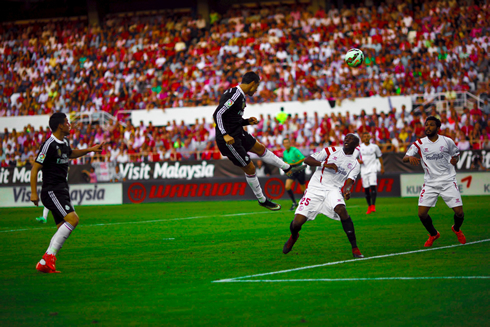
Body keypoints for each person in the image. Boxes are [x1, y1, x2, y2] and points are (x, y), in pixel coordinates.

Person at [213, 71, 305, 210]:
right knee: (250, 167)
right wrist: (225, 134)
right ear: (252, 83)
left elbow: (230, 118)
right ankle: (262, 200)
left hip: (237, 132)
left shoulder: (239, 96)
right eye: (257, 86)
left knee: (260, 148)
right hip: (229, 140)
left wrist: (245, 122)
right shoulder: (235, 95)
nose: (257, 90)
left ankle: (288, 168)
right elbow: (218, 114)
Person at [30, 112, 104, 273]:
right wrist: (33, 193)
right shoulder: (49, 144)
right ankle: (48, 257)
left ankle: (46, 262)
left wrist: (90, 149)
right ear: (60, 126)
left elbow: (70, 154)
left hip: (61, 190)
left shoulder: (64, 142)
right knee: (73, 219)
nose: (70, 124)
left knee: (63, 226)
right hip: (51, 190)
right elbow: (35, 168)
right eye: (67, 122)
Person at [282, 134, 364, 258]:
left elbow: (349, 182)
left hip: (333, 190)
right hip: (315, 189)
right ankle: (294, 236)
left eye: (351, 139)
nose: (346, 140)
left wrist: (347, 191)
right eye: (346, 138)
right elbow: (307, 160)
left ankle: (355, 248)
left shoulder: (355, 164)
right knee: (297, 223)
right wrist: (325, 164)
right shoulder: (331, 150)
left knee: (342, 210)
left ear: (356, 144)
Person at [403, 116, 466, 247]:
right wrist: (409, 158)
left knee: (459, 213)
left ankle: (456, 229)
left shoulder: (447, 141)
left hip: (448, 181)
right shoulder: (419, 143)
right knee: (421, 214)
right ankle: (433, 234)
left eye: (431, 125)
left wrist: (455, 160)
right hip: (430, 183)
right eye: (426, 125)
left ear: (438, 128)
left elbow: (456, 154)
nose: (428, 127)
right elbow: (405, 157)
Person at [358, 132, 385, 214]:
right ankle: (369, 206)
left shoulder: (375, 147)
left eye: (367, 136)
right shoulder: (359, 148)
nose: (366, 138)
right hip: (363, 170)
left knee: (373, 187)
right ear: (362, 138)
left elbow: (380, 156)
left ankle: (373, 205)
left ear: (370, 137)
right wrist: (358, 160)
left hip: (372, 169)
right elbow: (354, 157)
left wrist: (382, 168)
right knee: (366, 189)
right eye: (364, 136)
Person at [282, 138, 307, 211]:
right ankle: (294, 202)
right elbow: (285, 161)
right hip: (291, 170)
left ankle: (306, 204)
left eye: (287, 143)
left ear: (290, 143)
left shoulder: (295, 150)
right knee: (287, 186)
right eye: (285, 143)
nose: (286, 144)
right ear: (283, 145)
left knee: (303, 189)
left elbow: (303, 158)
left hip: (299, 169)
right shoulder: (284, 153)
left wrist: (295, 163)